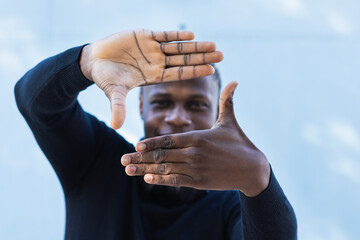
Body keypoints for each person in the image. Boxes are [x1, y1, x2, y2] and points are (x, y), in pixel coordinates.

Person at [15, 29, 297, 239]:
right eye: (162, 102)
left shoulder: (232, 206)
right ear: (141, 106)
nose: (176, 117)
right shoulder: (97, 161)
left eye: (196, 104)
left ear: (215, 114)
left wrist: (259, 179)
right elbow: (35, 103)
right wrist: (85, 63)